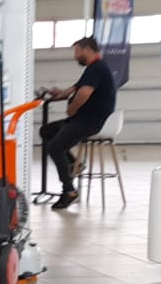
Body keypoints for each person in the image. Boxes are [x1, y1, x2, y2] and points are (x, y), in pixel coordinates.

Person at [38, 35, 117, 211]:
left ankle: (69, 191)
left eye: (77, 51)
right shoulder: (93, 68)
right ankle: (75, 164)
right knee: (47, 131)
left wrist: (72, 109)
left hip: (89, 121)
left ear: (87, 49)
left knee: (55, 148)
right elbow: (75, 88)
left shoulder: (97, 68)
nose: (75, 56)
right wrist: (58, 94)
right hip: (82, 119)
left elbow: (84, 93)